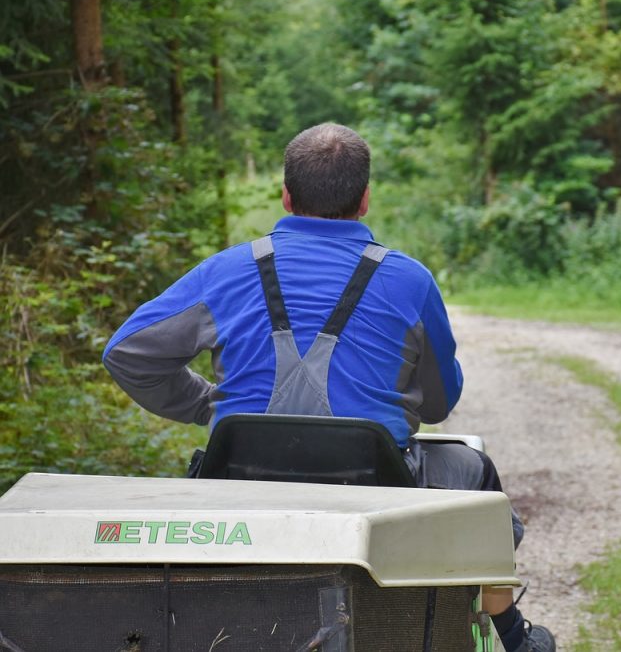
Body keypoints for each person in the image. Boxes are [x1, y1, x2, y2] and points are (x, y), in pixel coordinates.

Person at [103, 122, 555, 652]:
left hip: (240, 480)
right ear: (365, 200)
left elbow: (127, 353)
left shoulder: (225, 272)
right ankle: (514, 637)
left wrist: (208, 405)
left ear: (286, 196)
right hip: (379, 484)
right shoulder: (410, 280)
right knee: (479, 475)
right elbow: (439, 404)